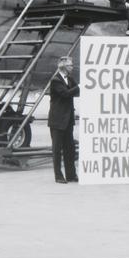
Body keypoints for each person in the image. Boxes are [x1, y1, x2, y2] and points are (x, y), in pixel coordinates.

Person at [48, 56, 80, 184]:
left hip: (67, 120)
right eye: (70, 65)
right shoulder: (55, 80)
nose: (72, 67)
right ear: (64, 67)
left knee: (69, 149)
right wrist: (79, 87)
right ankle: (58, 176)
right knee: (57, 150)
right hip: (57, 120)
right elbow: (65, 94)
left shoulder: (70, 79)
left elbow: (75, 91)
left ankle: (71, 175)